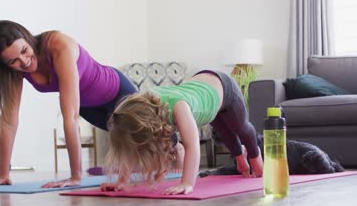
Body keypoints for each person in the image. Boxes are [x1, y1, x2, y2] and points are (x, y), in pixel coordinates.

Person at [0, 20, 137, 188]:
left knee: (159, 137)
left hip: (118, 92)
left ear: (27, 38)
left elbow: (70, 118)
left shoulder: (58, 45)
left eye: (24, 51)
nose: (24, 61)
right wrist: (4, 174)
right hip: (89, 108)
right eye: (13, 61)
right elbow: (9, 121)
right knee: (133, 144)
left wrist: (75, 176)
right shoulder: (16, 71)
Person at [100, 70, 264, 195]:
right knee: (225, 133)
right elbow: (131, 149)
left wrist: (187, 183)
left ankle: (255, 156)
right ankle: (239, 157)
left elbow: (192, 145)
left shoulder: (179, 107)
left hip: (224, 87)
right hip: (205, 93)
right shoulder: (144, 107)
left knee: (242, 128)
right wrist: (121, 181)